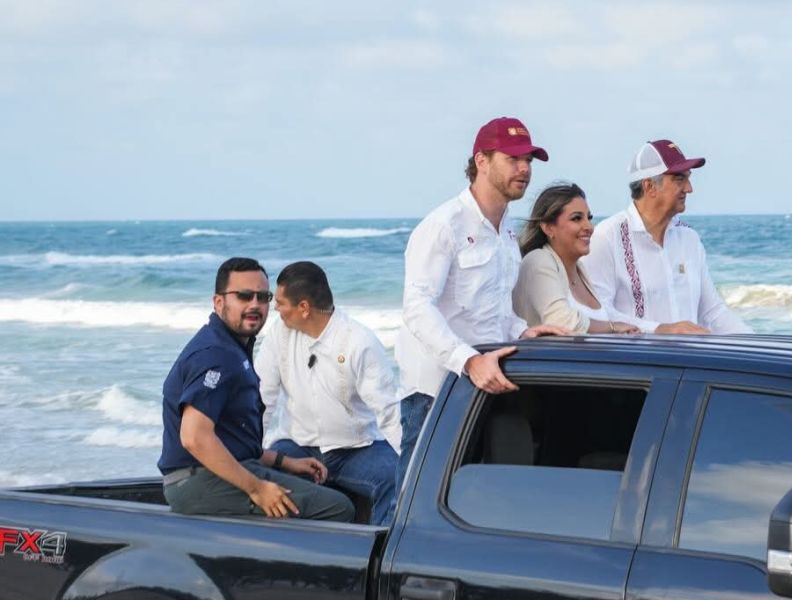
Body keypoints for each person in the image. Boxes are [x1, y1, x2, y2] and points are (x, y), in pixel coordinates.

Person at [394, 116, 569, 474]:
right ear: (481, 161)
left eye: (529, 161)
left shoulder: (506, 232)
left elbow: (490, 307)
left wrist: (521, 330)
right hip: (436, 394)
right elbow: (416, 307)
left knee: (470, 503)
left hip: (485, 385)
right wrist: (468, 361)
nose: (524, 169)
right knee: (415, 508)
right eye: (514, 159)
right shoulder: (445, 225)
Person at [158, 257, 354, 521]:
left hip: (214, 472)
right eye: (244, 296)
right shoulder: (215, 355)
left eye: (263, 297)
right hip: (198, 481)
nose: (255, 305)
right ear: (219, 302)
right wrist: (257, 488)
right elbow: (194, 438)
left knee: (316, 488)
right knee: (338, 509)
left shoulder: (231, 347)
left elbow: (231, 439)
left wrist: (285, 462)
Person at [257, 261, 402, 526]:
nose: (274, 309)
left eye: (279, 302)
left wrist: (411, 462)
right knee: (261, 475)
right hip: (297, 446)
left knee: (398, 477)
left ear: (304, 308)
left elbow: (388, 411)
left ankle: (376, 555)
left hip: (356, 449)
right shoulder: (279, 333)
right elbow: (263, 397)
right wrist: (251, 448)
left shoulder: (359, 341)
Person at [580, 139, 752, 335]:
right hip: (635, 363)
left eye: (688, 178)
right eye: (679, 179)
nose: (689, 188)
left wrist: (757, 344)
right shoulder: (606, 237)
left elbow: (713, 312)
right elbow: (598, 314)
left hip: (688, 362)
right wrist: (661, 329)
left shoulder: (689, 238)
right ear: (649, 186)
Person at [513, 183, 640, 334]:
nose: (589, 226)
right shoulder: (538, 261)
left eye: (589, 218)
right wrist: (612, 327)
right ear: (548, 228)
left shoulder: (580, 269)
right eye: (576, 218)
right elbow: (562, 322)